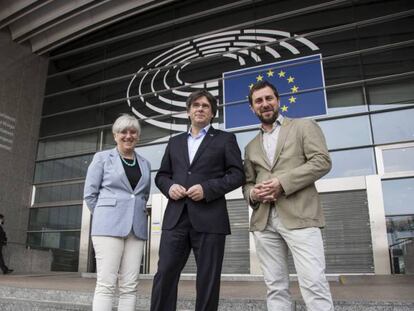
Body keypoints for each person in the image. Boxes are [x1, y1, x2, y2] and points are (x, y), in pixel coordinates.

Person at [150, 90, 245, 311]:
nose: (200, 109)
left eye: (205, 106)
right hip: (176, 218)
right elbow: (162, 175)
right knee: (165, 273)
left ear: (212, 113)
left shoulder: (225, 139)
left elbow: (237, 174)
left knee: (208, 279)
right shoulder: (174, 142)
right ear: (188, 111)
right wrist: (170, 187)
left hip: (210, 219)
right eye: (195, 105)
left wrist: (207, 188)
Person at [243, 81, 334, 311]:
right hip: (264, 222)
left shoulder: (303, 126)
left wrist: (282, 183)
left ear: (278, 101)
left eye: (268, 98)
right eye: (258, 101)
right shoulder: (250, 146)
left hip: (300, 216)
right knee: (275, 287)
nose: (265, 104)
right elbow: (248, 183)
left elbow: (321, 162)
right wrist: (253, 193)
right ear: (252, 108)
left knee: (314, 283)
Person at [84, 114, 151, 311]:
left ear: (138, 136)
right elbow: (90, 194)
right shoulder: (102, 158)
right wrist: (105, 216)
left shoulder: (145, 163)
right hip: (107, 228)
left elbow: (142, 195)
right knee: (106, 283)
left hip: (136, 229)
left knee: (130, 286)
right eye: (123, 132)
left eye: (133, 132)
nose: (128, 136)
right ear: (115, 135)